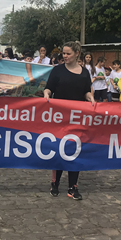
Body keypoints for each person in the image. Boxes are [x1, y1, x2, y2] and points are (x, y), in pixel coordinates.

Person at [43, 41, 96, 200]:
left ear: (76, 54)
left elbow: (87, 92)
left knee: (75, 150)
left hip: (78, 117)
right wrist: (46, 94)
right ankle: (55, 183)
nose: (64, 56)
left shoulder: (85, 73)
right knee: (59, 150)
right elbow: (49, 88)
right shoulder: (57, 70)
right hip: (59, 117)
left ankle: (73, 187)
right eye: (63, 53)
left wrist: (91, 98)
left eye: (67, 53)